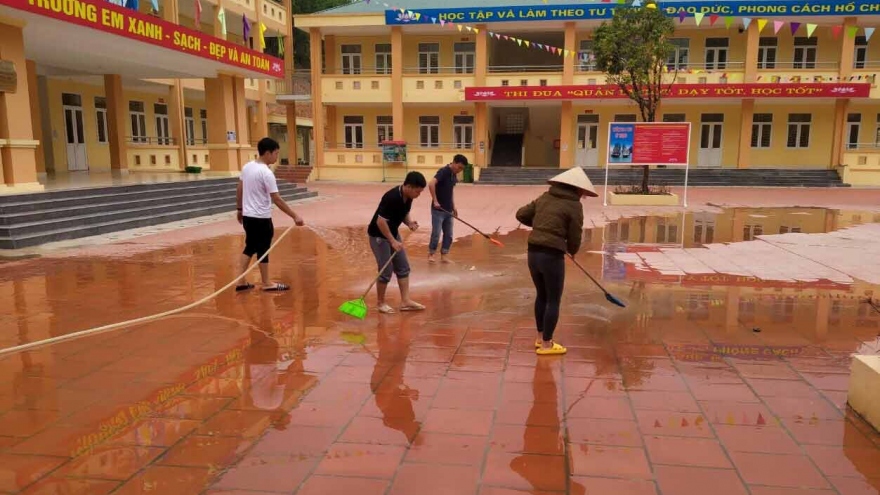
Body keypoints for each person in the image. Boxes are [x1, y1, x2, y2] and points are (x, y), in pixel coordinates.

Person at [515, 167, 597, 355]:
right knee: (553, 299)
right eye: (583, 192)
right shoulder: (574, 205)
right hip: (551, 256)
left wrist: (540, 227)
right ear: (577, 188)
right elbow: (575, 234)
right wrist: (572, 250)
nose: (583, 196)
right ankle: (547, 344)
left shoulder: (545, 197)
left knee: (541, 295)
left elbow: (521, 214)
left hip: (533, 252)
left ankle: (540, 337)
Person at [235, 137, 305, 293]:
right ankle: (266, 283)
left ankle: (241, 281)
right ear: (267, 153)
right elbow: (277, 199)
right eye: (276, 153)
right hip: (261, 218)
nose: (277, 157)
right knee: (262, 249)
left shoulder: (247, 167)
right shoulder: (266, 173)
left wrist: (240, 209)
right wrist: (295, 216)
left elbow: (240, 188)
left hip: (248, 217)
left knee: (250, 247)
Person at [367, 171, 427, 314]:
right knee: (386, 271)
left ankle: (405, 301)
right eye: (418, 192)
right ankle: (380, 303)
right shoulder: (392, 197)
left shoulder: (408, 197)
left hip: (392, 233)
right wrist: (392, 241)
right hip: (379, 236)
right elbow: (380, 222)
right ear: (409, 187)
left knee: (403, 267)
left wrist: (409, 223)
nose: (418, 195)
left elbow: (403, 212)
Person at [428, 154, 467, 263]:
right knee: (436, 233)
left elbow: (450, 191)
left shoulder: (453, 175)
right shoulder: (444, 171)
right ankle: (431, 254)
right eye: (459, 167)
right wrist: (435, 200)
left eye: (462, 169)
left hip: (448, 210)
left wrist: (453, 206)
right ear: (454, 162)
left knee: (449, 234)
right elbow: (431, 184)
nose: (459, 170)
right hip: (438, 210)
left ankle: (444, 255)